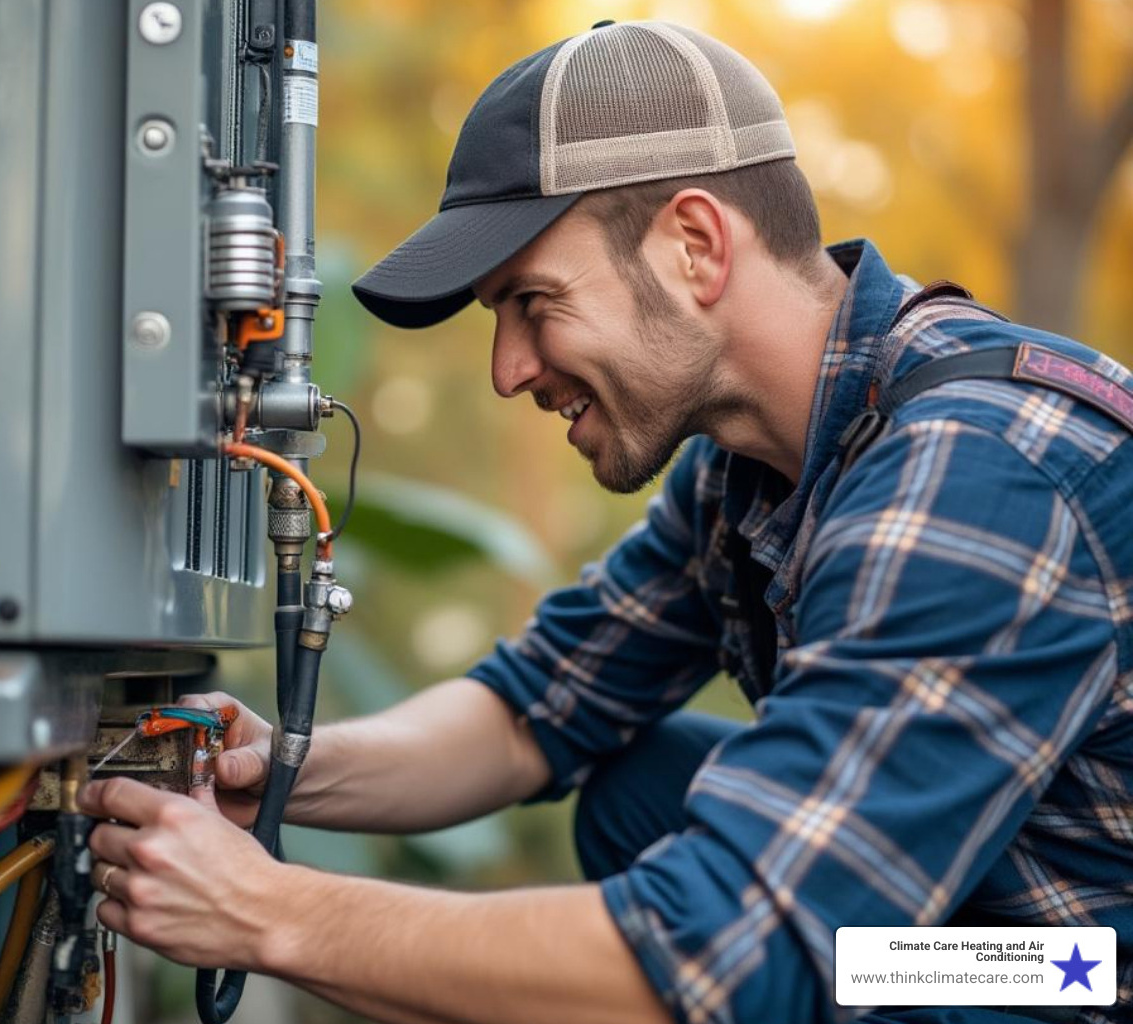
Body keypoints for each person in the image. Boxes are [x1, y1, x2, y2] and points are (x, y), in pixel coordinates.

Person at [79, 21, 1133, 1024]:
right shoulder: (749, 468)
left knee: (732, 947)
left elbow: (716, 951)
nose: (507, 370)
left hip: (1079, 971)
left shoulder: (978, 474)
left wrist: (273, 913)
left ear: (693, 245)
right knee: (643, 795)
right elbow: (536, 710)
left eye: (533, 301)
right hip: (996, 947)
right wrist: (279, 768)